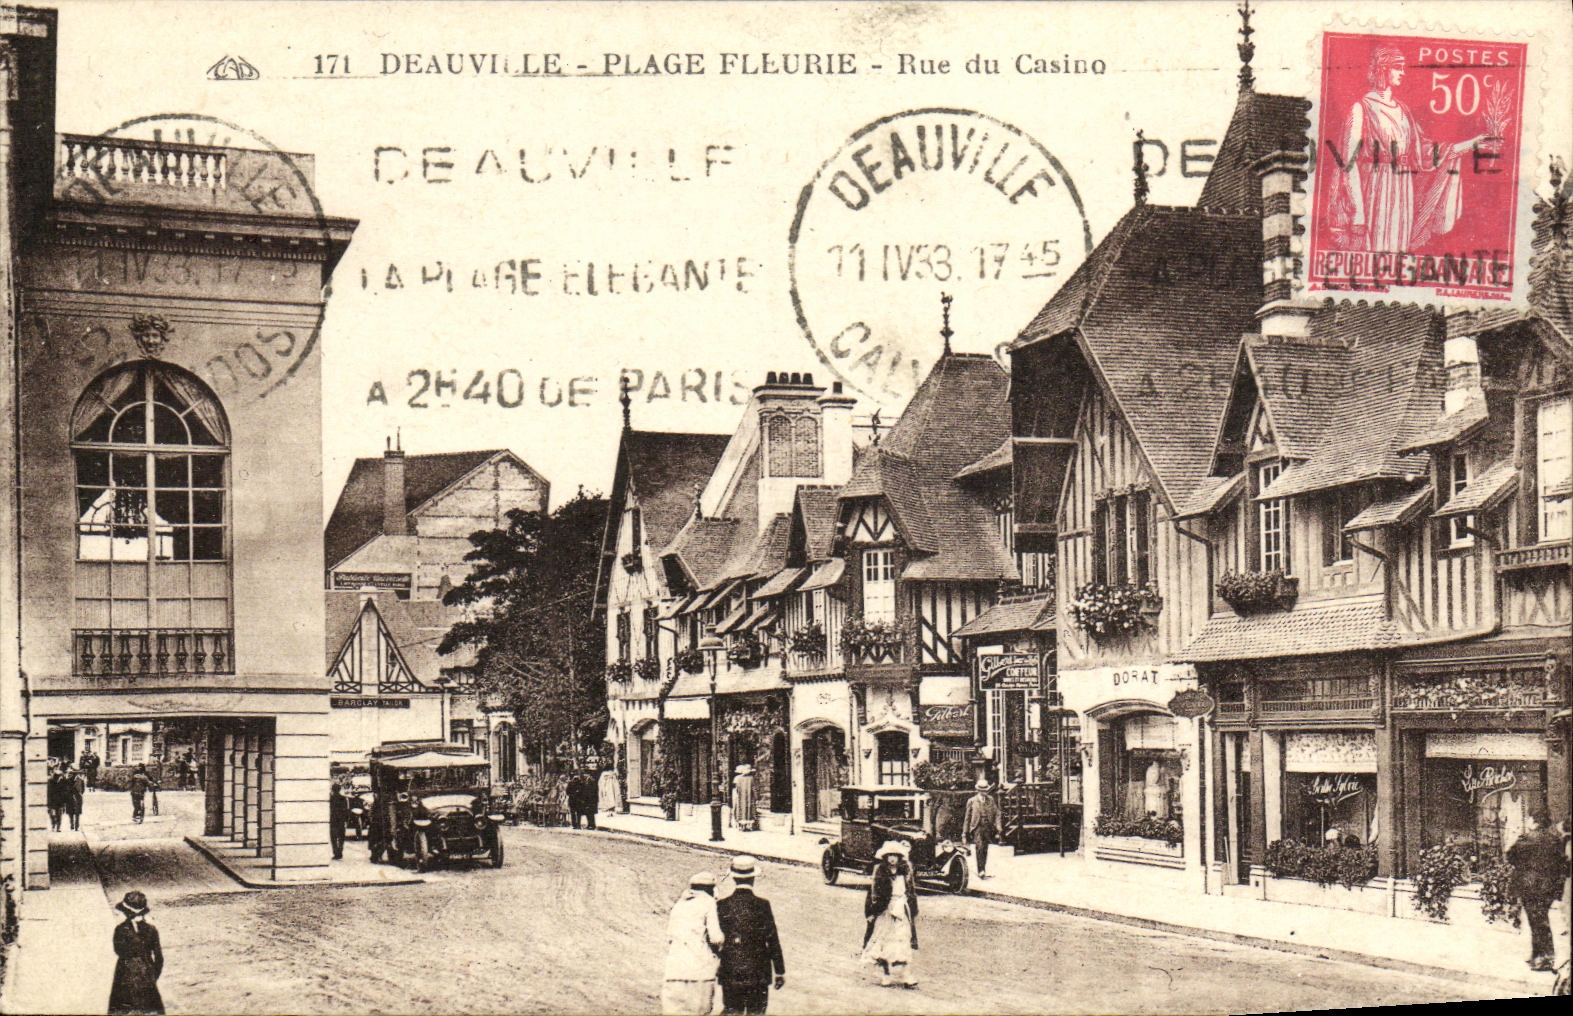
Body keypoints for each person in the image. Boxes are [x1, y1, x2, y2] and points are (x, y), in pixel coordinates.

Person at [1331, 45, 1487, 253]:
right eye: (1397, 67)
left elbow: (1425, 152)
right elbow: (1348, 164)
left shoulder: (1404, 111)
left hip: (1403, 189)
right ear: (1382, 69)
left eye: (1403, 67)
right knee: (1375, 249)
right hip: (1375, 189)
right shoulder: (1361, 109)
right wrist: (1358, 213)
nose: (1403, 72)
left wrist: (1470, 144)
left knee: (1398, 250)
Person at [716, 855, 785, 1014]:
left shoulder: (722, 905)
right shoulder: (763, 905)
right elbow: (772, 939)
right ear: (753, 879)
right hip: (758, 972)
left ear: (733, 878)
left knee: (733, 1011)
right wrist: (779, 971)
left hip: (731, 970)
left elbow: (716, 940)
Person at [1506, 808, 1568, 972]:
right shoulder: (1555, 840)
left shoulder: (1526, 838)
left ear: (1534, 821)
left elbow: (1510, 856)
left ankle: (1544, 958)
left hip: (1530, 886)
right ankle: (1538, 955)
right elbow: (1563, 863)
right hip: (1549, 886)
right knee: (1539, 918)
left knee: (1537, 921)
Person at [663, 871, 724, 1015]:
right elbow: (716, 938)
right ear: (710, 888)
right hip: (699, 972)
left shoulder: (679, 904)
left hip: (674, 970)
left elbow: (670, 935)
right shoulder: (708, 902)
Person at [861, 841, 919, 988]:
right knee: (884, 942)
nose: (892, 859)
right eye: (889, 855)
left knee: (903, 940)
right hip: (885, 910)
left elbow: (911, 891)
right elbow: (874, 893)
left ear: (900, 857)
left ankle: (907, 975)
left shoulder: (905, 871)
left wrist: (913, 909)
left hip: (901, 909)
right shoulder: (880, 871)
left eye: (895, 855)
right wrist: (872, 911)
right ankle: (886, 974)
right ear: (885, 857)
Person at [108, 890, 164, 1015]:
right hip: (147, 974)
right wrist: (152, 976)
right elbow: (159, 959)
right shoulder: (152, 930)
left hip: (125, 975)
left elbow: (118, 950)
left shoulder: (121, 929)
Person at [963, 779, 1002, 879]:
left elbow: (997, 813)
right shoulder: (972, 801)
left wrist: (998, 826)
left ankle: (982, 869)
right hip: (977, 827)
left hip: (987, 826)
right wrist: (965, 832)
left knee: (985, 848)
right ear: (978, 790)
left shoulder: (991, 800)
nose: (984, 792)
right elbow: (967, 818)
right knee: (979, 847)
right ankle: (980, 870)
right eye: (982, 791)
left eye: (985, 790)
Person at [731, 764, 757, 832]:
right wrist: (756, 797)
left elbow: (736, 789)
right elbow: (754, 789)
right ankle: (749, 825)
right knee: (749, 809)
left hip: (740, 797)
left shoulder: (737, 778)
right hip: (749, 797)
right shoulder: (751, 778)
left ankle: (741, 825)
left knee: (740, 808)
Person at [328, 779, 348, 861]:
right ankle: (340, 851)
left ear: (332, 790)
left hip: (333, 820)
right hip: (341, 820)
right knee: (341, 837)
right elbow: (346, 810)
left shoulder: (330, 799)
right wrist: (346, 820)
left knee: (333, 837)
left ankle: (336, 852)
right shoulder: (343, 798)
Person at [65, 768, 85, 832]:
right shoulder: (67, 780)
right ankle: (72, 824)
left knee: (77, 813)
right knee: (70, 812)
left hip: (78, 798)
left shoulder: (80, 780)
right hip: (70, 798)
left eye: (73, 773)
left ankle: (76, 826)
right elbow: (66, 789)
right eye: (71, 773)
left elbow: (82, 790)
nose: (72, 774)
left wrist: (78, 795)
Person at [47, 768, 67, 832]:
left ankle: (58, 827)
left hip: (60, 802)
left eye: (59, 776)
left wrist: (64, 803)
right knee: (52, 815)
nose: (58, 777)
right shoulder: (50, 782)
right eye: (56, 776)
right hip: (52, 802)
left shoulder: (63, 782)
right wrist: (48, 804)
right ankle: (53, 825)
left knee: (59, 815)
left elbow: (65, 793)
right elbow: (48, 793)